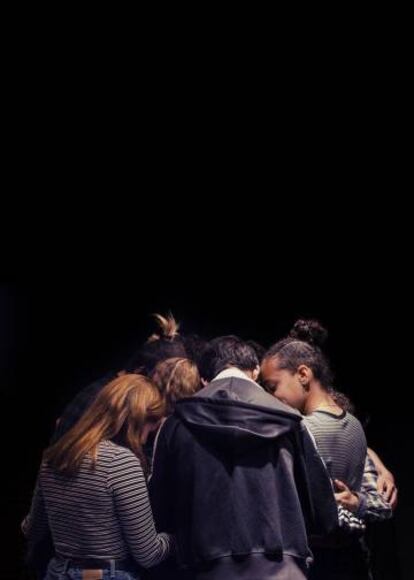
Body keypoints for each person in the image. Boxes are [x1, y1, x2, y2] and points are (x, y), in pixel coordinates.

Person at [149, 335, 338, 579]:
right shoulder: (291, 421)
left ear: (204, 378)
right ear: (256, 370)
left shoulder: (174, 426)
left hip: (204, 572)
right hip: (283, 571)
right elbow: (324, 516)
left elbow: (158, 514)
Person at [23, 374, 173, 580]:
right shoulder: (121, 461)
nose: (150, 433)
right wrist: (177, 537)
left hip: (58, 572)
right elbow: (148, 554)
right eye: (152, 423)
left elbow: (32, 529)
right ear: (138, 418)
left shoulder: (54, 456)